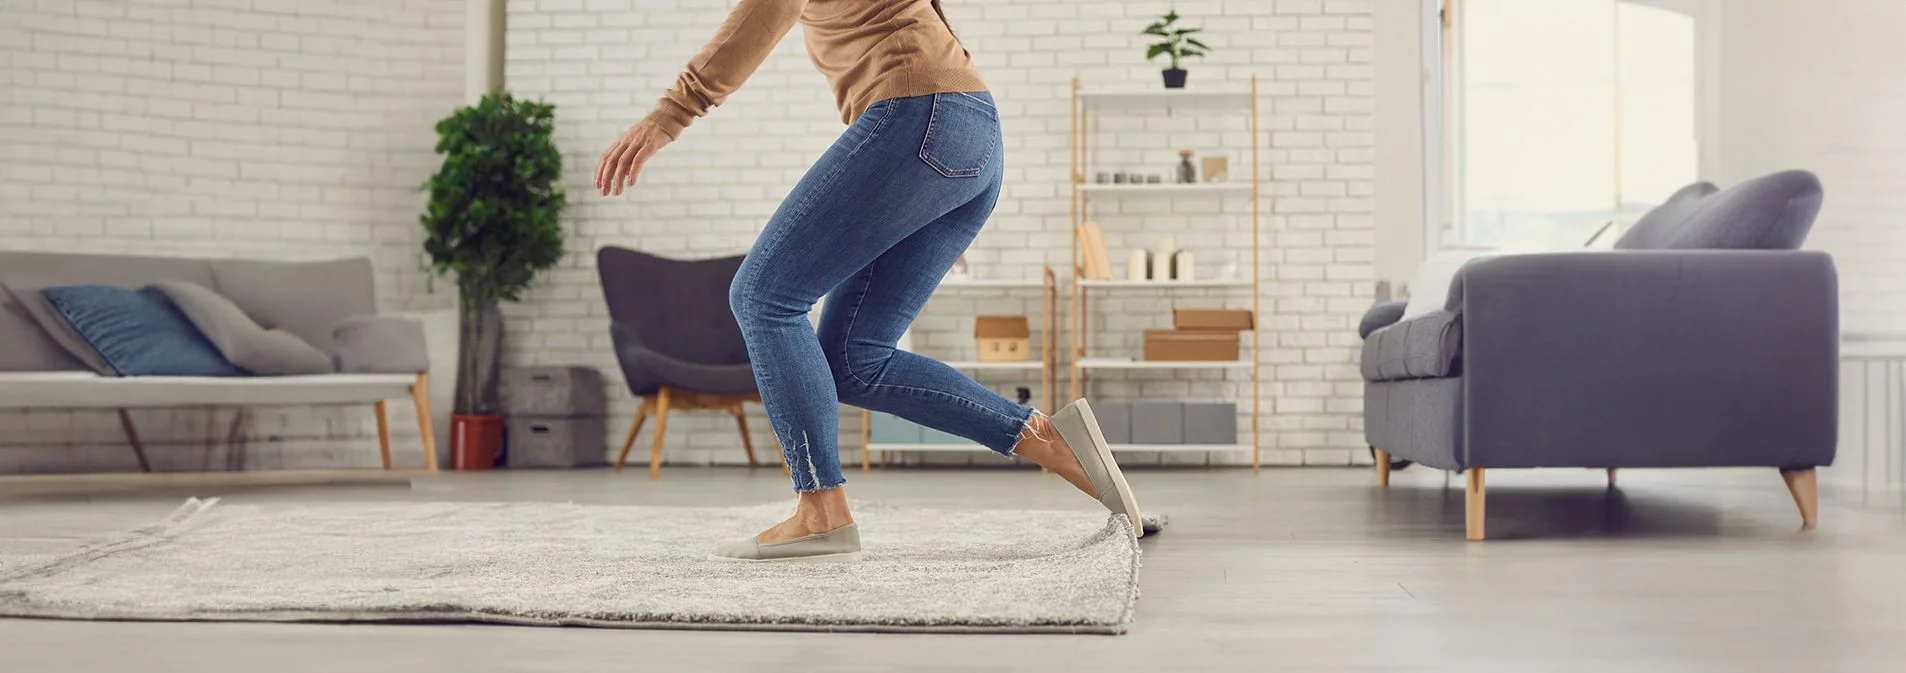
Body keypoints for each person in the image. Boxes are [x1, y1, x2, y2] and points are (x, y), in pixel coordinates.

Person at [593, 0, 1140, 562]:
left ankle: (821, 511)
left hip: (918, 115)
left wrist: (670, 114)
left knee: (763, 297)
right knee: (855, 359)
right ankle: (1047, 439)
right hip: (968, 128)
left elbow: (765, 12)